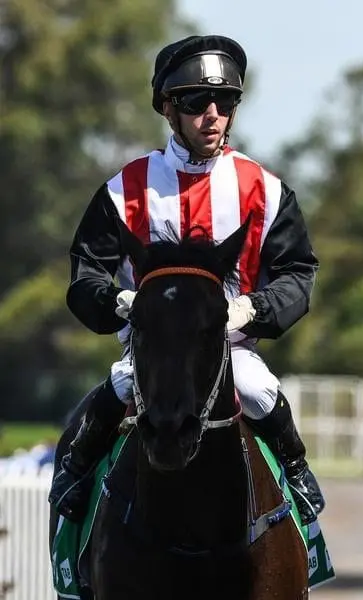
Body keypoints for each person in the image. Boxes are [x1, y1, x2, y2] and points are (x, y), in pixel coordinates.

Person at [48, 34, 326, 527]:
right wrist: (119, 301)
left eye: (227, 101)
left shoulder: (266, 189)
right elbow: (87, 269)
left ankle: (297, 477)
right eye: (197, 102)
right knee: (118, 384)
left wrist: (253, 309)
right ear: (168, 109)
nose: (213, 114)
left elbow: (298, 271)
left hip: (230, 351)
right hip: (148, 351)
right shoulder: (125, 188)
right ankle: (74, 482)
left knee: (258, 389)